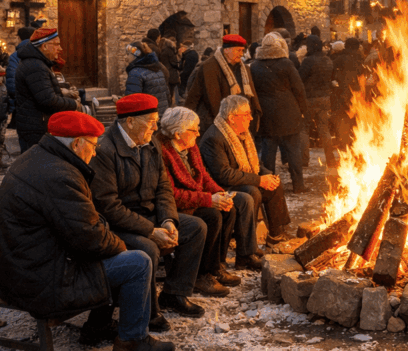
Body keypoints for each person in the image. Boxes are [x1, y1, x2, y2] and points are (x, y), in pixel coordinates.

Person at [0, 110, 172, 351]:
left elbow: (85, 227)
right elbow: (91, 238)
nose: (95, 151)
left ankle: (98, 327)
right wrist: (120, 246)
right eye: (93, 145)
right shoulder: (60, 174)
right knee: (137, 261)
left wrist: (107, 237)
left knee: (118, 254)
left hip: (23, 269)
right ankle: (132, 340)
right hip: (40, 278)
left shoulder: (38, 157)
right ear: (77, 143)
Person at [90, 94, 208, 327]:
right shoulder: (105, 149)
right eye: (151, 121)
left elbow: (163, 187)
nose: (156, 127)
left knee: (195, 227)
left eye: (156, 120)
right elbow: (108, 206)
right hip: (119, 224)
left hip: (151, 215)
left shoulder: (150, 142)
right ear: (130, 121)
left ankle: (174, 293)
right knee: (148, 247)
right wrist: (151, 231)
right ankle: (149, 311)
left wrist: (167, 222)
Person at [156, 107, 254, 296]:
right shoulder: (163, 152)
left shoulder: (191, 146)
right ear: (178, 134)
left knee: (229, 209)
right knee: (211, 215)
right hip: (175, 207)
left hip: (195, 199)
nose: (199, 133)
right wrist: (209, 199)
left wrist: (219, 193)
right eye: (194, 129)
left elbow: (204, 177)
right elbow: (171, 194)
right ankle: (201, 275)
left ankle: (215, 266)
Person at [201, 94, 291, 250]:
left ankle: (276, 236)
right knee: (252, 191)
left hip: (238, 179)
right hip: (220, 186)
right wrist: (259, 180)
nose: (251, 118)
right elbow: (224, 174)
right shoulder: (215, 138)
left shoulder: (242, 133)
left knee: (274, 183)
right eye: (246, 114)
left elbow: (255, 164)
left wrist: (267, 175)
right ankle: (247, 247)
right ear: (231, 117)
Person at [251, 33, 309, 192]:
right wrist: (304, 110)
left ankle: (270, 186)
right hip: (288, 112)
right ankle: (298, 185)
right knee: (293, 152)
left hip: (267, 114)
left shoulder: (255, 66)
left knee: (268, 152)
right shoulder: (286, 63)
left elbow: (252, 91)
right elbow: (298, 89)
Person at [11, 26, 81, 153]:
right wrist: (74, 104)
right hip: (36, 128)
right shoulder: (35, 66)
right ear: (44, 46)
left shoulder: (38, 63)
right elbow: (47, 100)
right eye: (56, 45)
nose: (60, 49)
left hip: (36, 125)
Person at [184, 34, 261, 135]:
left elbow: (252, 94)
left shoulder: (244, 69)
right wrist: (184, 120)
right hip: (214, 124)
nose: (242, 54)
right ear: (227, 50)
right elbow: (194, 96)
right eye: (238, 50)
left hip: (241, 124)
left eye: (242, 51)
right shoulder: (208, 67)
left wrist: (256, 114)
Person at [298, 34, 338, 168]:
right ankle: (330, 158)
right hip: (325, 98)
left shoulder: (308, 61)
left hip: (310, 98)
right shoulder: (327, 60)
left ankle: (304, 160)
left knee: (304, 129)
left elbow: (300, 78)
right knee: (324, 129)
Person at [124, 41, 170, 117]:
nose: (125, 57)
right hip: (161, 114)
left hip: (146, 117)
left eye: (128, 54)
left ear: (136, 56)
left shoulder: (135, 73)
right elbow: (167, 95)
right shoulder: (158, 69)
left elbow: (132, 101)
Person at [6, 26, 35, 117]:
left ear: (19, 38)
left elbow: (12, 82)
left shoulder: (15, 56)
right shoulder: (40, 53)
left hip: (21, 102)